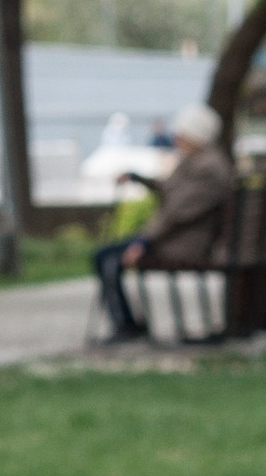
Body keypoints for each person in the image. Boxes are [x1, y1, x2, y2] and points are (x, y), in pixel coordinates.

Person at [93, 101, 240, 339]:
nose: (176, 137)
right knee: (107, 255)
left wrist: (143, 242)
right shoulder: (198, 160)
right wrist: (137, 178)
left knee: (107, 257)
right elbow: (171, 191)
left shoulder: (207, 167)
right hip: (177, 237)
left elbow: (176, 212)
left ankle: (126, 325)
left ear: (196, 135)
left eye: (182, 133)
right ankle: (127, 323)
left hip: (184, 242)